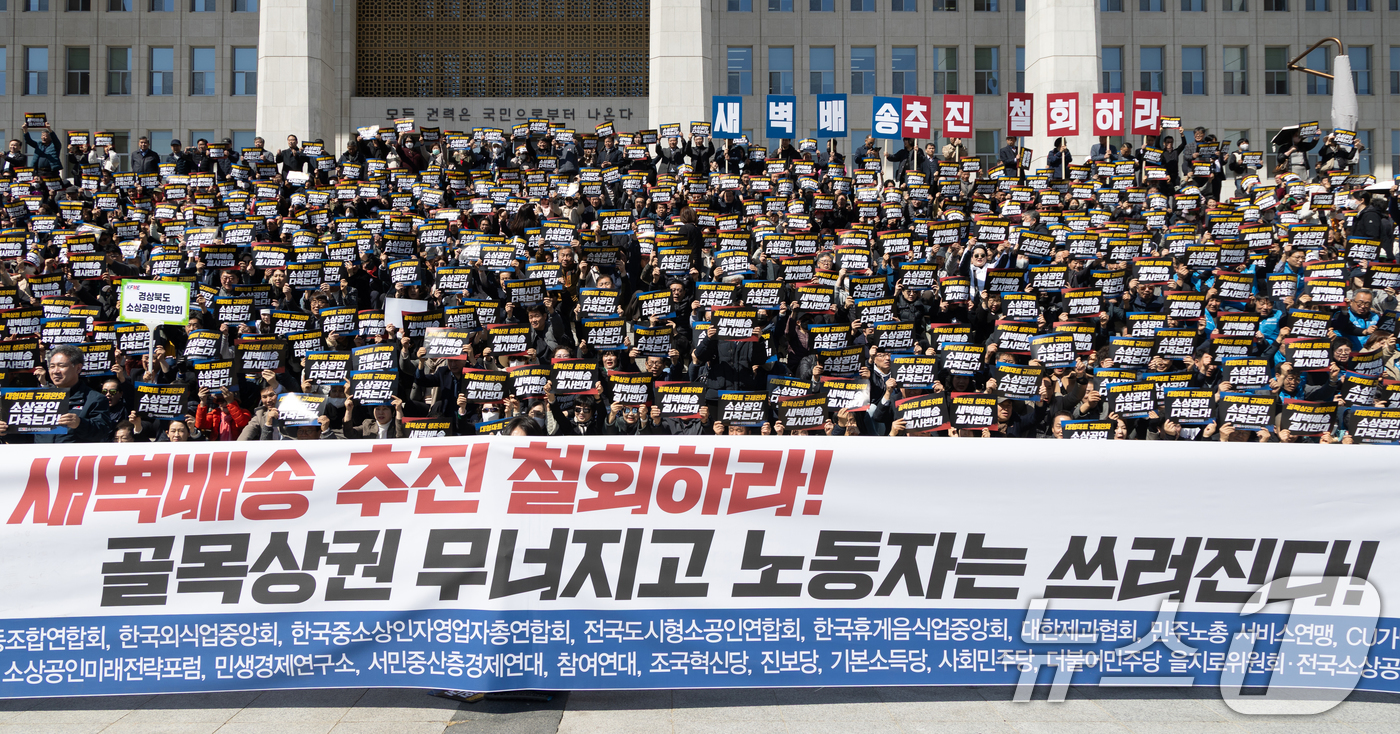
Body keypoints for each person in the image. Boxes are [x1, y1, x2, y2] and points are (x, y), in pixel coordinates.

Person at [0, 345, 112, 443]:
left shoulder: (95, 399)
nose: (55, 371)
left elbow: (103, 433)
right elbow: (29, 438)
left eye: (61, 366)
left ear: (78, 368)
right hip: (42, 462)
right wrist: (6, 432)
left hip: (73, 462)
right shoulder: (39, 398)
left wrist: (80, 423)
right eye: (52, 366)